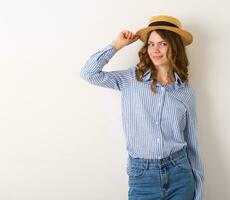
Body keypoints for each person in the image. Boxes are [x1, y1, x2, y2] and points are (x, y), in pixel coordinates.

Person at [80, 15, 205, 200]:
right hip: (143, 176)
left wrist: (199, 190)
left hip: (180, 173)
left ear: (175, 47)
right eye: (151, 44)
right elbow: (88, 73)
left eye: (162, 44)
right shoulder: (130, 79)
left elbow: (192, 144)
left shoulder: (186, 92)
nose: (155, 49)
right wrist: (117, 44)